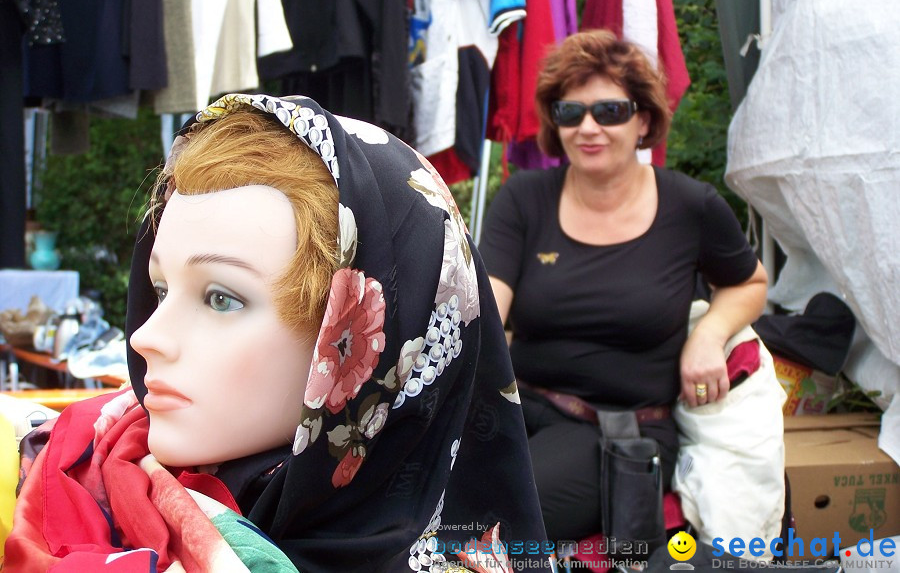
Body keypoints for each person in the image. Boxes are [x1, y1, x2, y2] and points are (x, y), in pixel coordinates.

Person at [5, 93, 550, 571]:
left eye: (221, 298)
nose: (146, 337)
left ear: (365, 345)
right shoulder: (70, 462)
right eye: (161, 290)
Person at [478, 30, 769, 544]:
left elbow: (749, 282)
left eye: (609, 111)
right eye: (571, 113)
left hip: (616, 431)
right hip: (517, 408)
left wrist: (706, 337)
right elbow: (485, 306)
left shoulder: (690, 206)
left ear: (644, 120)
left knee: (499, 514)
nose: (588, 127)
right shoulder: (524, 198)